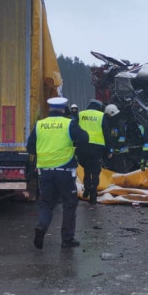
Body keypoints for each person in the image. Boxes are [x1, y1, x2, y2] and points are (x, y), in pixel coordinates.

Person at [27, 97, 89, 249]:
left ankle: (42, 226)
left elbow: (30, 147)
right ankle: (67, 239)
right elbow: (84, 138)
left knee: (47, 203)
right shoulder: (69, 123)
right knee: (69, 203)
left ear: (50, 109)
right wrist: (73, 146)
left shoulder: (40, 125)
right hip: (65, 171)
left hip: (45, 172)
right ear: (64, 109)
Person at [77, 99, 110, 204]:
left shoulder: (81, 114)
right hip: (97, 148)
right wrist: (109, 150)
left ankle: (86, 188)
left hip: (83, 147)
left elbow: (75, 130)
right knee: (95, 171)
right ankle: (94, 193)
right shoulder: (101, 116)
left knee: (86, 169)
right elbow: (106, 134)